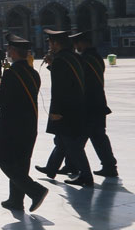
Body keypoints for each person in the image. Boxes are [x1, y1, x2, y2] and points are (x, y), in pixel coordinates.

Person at [0, 34, 48, 212]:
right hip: (30, 124)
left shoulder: (13, 73)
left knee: (4, 160)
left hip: (12, 126)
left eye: (9, 49)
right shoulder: (33, 73)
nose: (7, 52)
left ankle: (35, 190)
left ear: (13, 51)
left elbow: (5, 99)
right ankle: (15, 200)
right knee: (21, 162)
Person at [34, 29, 94, 187]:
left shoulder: (61, 60)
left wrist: (55, 111)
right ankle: (51, 168)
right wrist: (52, 64)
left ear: (56, 43)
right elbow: (69, 79)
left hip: (66, 109)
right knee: (61, 141)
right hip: (78, 105)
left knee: (71, 143)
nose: (49, 46)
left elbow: (60, 88)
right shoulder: (74, 57)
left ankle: (86, 176)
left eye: (50, 43)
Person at [72, 31, 117, 177]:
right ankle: (109, 166)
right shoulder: (95, 57)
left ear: (84, 43)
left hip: (90, 105)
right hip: (98, 103)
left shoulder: (86, 59)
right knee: (99, 137)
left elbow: (78, 80)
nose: (76, 46)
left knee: (77, 142)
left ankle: (81, 173)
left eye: (77, 43)